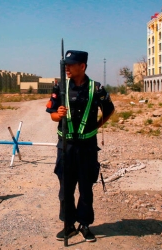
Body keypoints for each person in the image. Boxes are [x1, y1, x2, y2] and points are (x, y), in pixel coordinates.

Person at [45, 50, 115, 242]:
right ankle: (68, 225)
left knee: (85, 187)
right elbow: (51, 114)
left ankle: (84, 225)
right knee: (66, 187)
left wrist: (96, 126)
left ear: (82, 66)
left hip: (87, 147)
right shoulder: (60, 87)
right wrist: (58, 115)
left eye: (70, 64)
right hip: (66, 145)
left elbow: (109, 110)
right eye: (65, 64)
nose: (66, 68)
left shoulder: (97, 88)